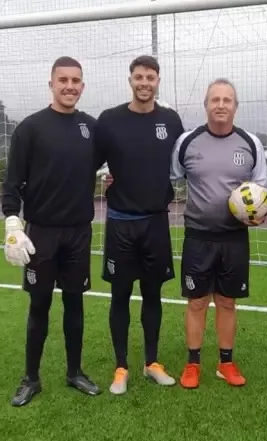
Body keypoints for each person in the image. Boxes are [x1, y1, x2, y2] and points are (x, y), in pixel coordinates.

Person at [0, 56, 102, 407]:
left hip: (78, 233)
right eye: (63, 80)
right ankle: (31, 378)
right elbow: (12, 180)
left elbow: (114, 158)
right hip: (41, 233)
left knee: (74, 305)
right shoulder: (30, 128)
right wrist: (12, 222)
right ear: (51, 83)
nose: (70, 86)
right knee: (39, 305)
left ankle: (75, 372)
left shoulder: (91, 127)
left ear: (83, 86)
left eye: (76, 80)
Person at [170, 78, 267, 389]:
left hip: (234, 239)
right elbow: (170, 176)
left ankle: (226, 363)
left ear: (235, 107)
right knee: (197, 302)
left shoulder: (250, 142)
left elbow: (263, 187)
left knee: (227, 302)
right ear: (206, 105)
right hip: (198, 237)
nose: (221, 105)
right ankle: (193, 363)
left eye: (227, 100)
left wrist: (259, 212)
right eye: (215, 100)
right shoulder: (187, 142)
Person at [94, 55, 186, 395]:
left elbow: (186, 161)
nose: (144, 82)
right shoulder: (110, 120)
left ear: (158, 80)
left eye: (150, 77)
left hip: (155, 224)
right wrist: (104, 178)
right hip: (120, 224)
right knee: (120, 294)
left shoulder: (170, 120)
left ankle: (152, 363)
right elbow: (90, 160)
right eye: (138, 77)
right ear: (130, 80)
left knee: (152, 294)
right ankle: (121, 368)